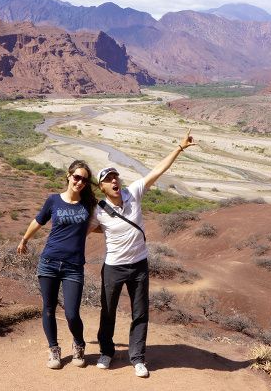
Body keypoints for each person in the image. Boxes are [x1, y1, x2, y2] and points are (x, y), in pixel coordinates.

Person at [88, 129, 197, 378]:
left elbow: (158, 170)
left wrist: (179, 148)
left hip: (138, 265)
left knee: (140, 312)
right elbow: (90, 229)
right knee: (108, 310)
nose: (114, 181)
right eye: (108, 179)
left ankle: (137, 357)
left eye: (116, 177)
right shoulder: (99, 210)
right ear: (102, 187)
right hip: (114, 266)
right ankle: (106, 352)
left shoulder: (133, 192)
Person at [17, 160, 97, 369]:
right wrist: (24, 239)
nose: (79, 182)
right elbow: (38, 221)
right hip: (49, 262)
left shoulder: (88, 205)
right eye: (76, 177)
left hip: (73, 266)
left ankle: (79, 344)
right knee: (49, 309)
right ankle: (54, 350)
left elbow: (98, 225)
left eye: (84, 179)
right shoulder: (53, 200)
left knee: (71, 312)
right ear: (68, 176)